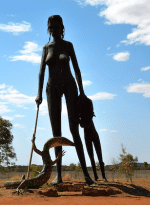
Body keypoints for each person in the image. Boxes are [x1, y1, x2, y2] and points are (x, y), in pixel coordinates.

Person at [35, 15, 94, 185]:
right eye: (50, 27)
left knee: (74, 129)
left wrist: (82, 92)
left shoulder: (68, 46)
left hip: (69, 86)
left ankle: (86, 175)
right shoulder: (46, 48)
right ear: (48, 29)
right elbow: (41, 73)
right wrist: (39, 94)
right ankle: (59, 176)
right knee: (57, 133)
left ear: (62, 28)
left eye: (56, 26)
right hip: (51, 88)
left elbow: (77, 69)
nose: (53, 29)